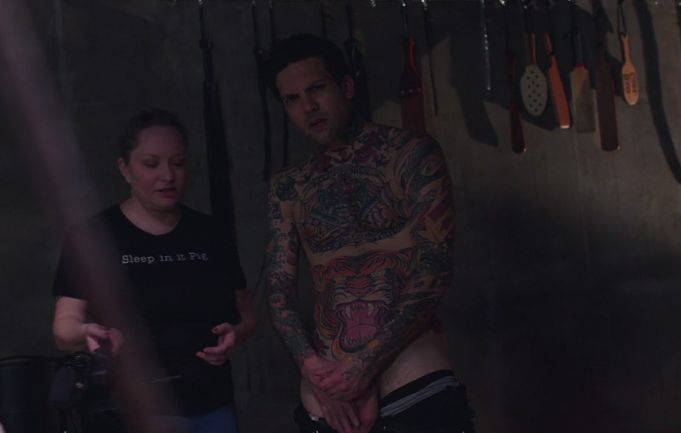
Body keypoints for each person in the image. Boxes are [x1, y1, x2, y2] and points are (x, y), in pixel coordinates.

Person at [263, 34, 476, 433]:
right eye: (292, 99)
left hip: (410, 381)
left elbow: (435, 266)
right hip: (330, 401)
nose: (308, 107)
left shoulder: (410, 155)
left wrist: (364, 367)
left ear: (346, 86)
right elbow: (278, 293)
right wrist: (312, 369)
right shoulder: (288, 188)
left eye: (316, 89)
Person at [51, 108, 256, 433]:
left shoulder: (210, 233)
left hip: (213, 406)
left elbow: (247, 317)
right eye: (151, 164)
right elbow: (64, 329)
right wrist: (88, 332)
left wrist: (235, 334)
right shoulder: (94, 238)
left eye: (178, 163)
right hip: (136, 411)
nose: (167, 175)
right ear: (125, 168)